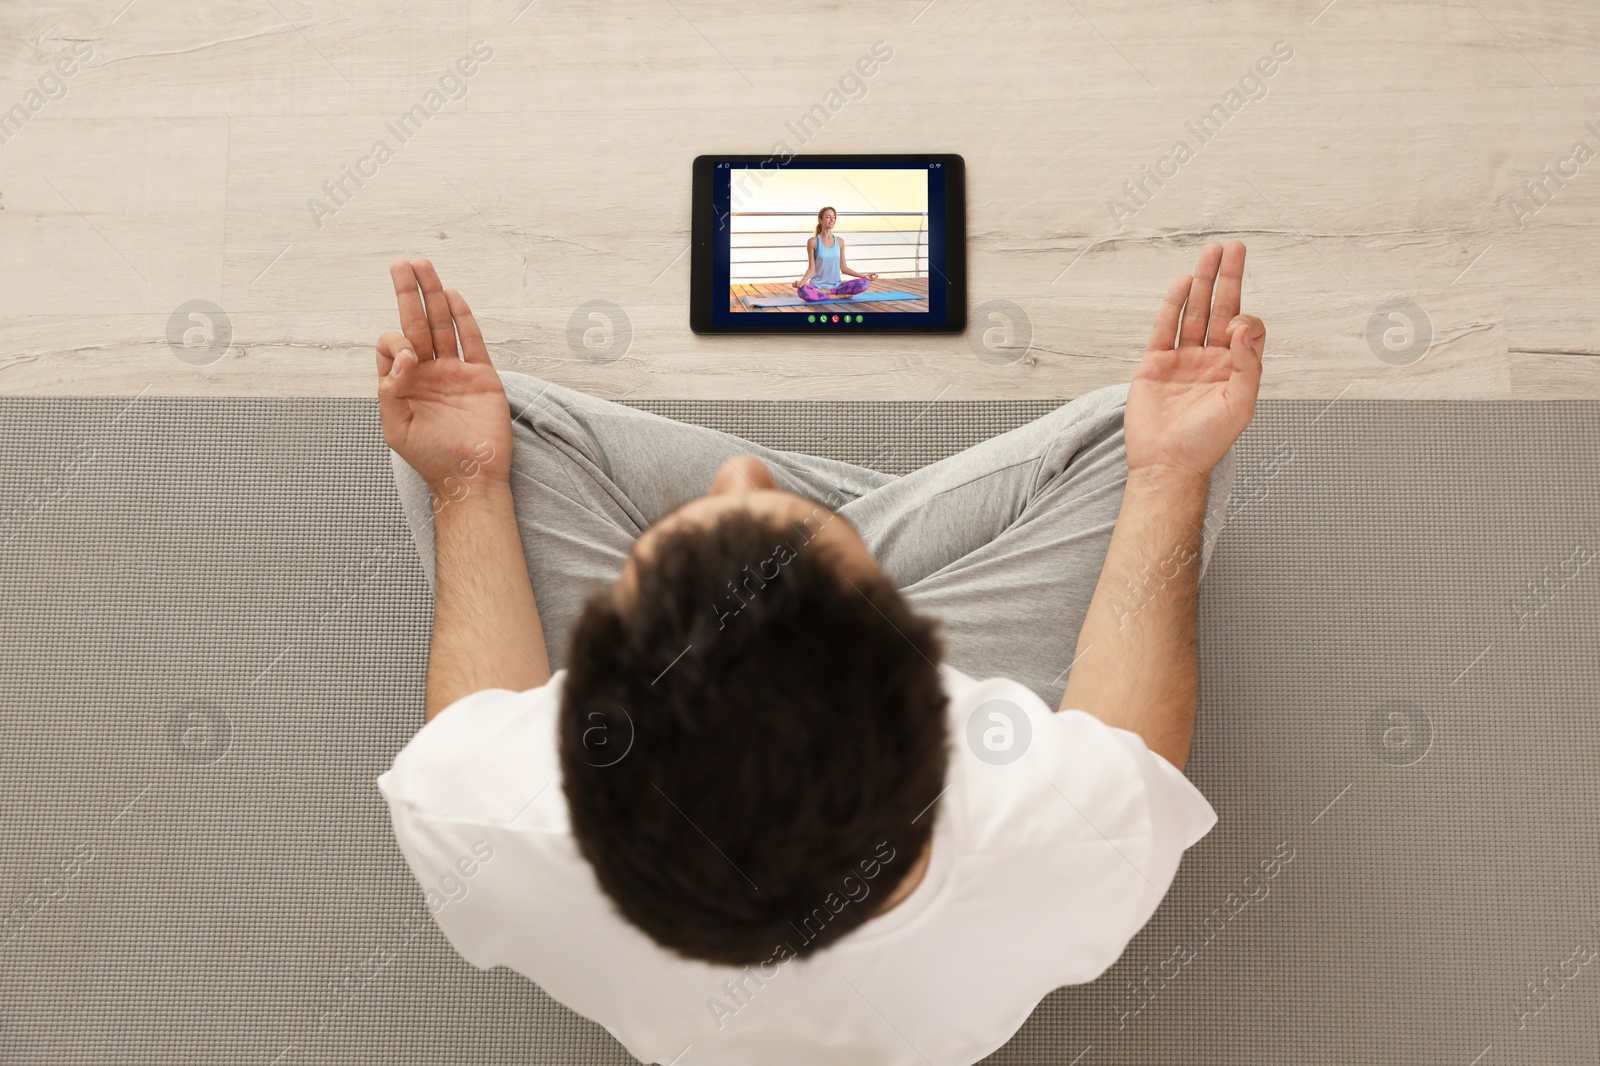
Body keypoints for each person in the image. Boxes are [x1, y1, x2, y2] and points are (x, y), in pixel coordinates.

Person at [375, 241, 1266, 1066]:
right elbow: (1136, 737)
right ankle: (872, 526)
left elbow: (470, 716)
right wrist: (1165, 473)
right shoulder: (1044, 832)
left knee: (491, 425)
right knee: (1155, 433)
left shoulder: (495, 821)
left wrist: (465, 480)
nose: (739, 472)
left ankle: (849, 531)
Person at [790, 205, 879, 302]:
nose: (832, 219)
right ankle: (837, 296)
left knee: (863, 283)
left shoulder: (840, 241)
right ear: (820, 220)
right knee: (802, 291)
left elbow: (844, 268)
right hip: (817, 286)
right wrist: (801, 282)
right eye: (828, 217)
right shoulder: (813, 242)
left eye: (834, 217)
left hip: (836, 286)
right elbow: (812, 269)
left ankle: (826, 292)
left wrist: (864, 276)